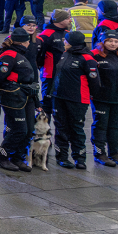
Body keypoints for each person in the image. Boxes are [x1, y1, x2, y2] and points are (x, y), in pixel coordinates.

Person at [50, 31, 100, 169]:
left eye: (65, 41)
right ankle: (62, 157)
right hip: (59, 97)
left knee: (76, 129)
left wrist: (92, 97)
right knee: (61, 128)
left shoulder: (87, 59)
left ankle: (80, 158)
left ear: (70, 42)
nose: (64, 43)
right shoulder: (65, 54)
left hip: (77, 99)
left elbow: (95, 82)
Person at [0, 28, 38, 171]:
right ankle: (1, 156)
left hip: (27, 95)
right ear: (25, 42)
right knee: (19, 129)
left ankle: (17, 157)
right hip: (14, 96)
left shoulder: (20, 53)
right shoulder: (10, 55)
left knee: (29, 129)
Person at [37, 9, 73, 158]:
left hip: (65, 76)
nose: (70, 20)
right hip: (50, 76)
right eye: (68, 18)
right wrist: (43, 68)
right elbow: (38, 55)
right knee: (47, 106)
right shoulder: (46, 34)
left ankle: (61, 137)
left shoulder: (67, 32)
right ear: (59, 20)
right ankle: (43, 136)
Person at [92, 31, 118, 167]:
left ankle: (114, 153)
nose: (113, 44)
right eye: (110, 41)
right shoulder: (95, 55)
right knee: (101, 126)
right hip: (101, 98)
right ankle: (100, 153)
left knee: (115, 127)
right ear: (102, 41)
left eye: (116, 41)